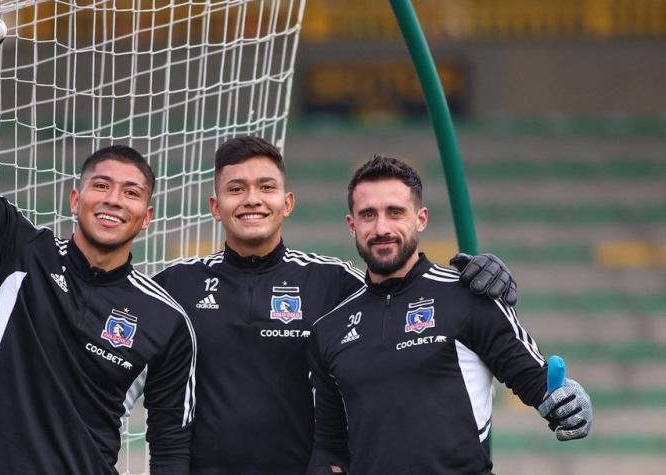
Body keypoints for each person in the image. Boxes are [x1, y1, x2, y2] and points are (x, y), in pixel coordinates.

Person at [0, 3, 195, 474]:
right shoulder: (18, 251)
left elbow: (171, 445)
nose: (114, 200)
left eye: (131, 193)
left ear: (146, 216)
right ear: (76, 199)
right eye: (101, 186)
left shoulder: (166, 320)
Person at [152, 137, 519, 474]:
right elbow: (118, 304)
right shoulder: (176, 285)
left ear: (288, 202)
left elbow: (406, 292)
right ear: (215, 207)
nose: (252, 199)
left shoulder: (334, 282)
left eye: (266, 187)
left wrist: (481, 269)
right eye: (236, 189)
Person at [306, 156, 593, 474]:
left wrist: (566, 400)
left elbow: (536, 380)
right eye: (368, 215)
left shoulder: (468, 295)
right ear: (352, 225)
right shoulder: (329, 329)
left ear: (421, 218)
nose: (381, 227)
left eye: (395, 212)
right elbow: (330, 446)